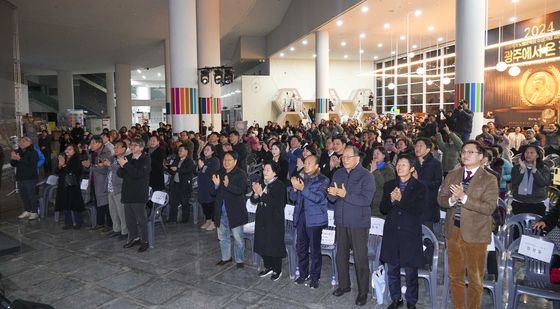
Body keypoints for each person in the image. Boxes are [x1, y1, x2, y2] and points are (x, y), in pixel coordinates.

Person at [437, 141, 499, 309]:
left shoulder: (489, 179)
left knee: (475, 278)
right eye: (463, 151)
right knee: (455, 276)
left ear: (480, 157)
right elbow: (441, 199)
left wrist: (464, 198)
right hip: (453, 231)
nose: (465, 155)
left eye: (470, 152)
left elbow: (489, 208)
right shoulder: (453, 174)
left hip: (476, 234)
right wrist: (451, 200)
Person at [328, 146, 375, 306]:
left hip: (358, 223)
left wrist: (345, 195)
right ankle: (344, 285)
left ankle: (363, 292)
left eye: (349, 157)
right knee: (340, 255)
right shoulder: (338, 173)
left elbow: (366, 200)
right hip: (341, 221)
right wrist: (332, 193)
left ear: (357, 158)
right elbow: (332, 197)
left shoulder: (366, 176)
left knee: (360, 259)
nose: (345, 159)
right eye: (343, 157)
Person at [380, 154, 428, 309]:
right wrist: (392, 200)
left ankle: (411, 301)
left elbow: (419, 210)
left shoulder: (420, 187)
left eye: (404, 165)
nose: (399, 167)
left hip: (410, 233)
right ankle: (395, 299)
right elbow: (383, 209)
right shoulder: (389, 185)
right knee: (392, 269)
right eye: (398, 165)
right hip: (392, 232)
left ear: (412, 168)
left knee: (410, 272)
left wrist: (401, 200)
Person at [289, 155, 329, 289]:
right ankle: (303, 273)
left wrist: (301, 189)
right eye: (305, 163)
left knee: (315, 250)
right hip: (301, 217)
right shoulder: (302, 178)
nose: (306, 165)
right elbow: (293, 198)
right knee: (301, 248)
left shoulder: (323, 180)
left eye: (309, 163)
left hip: (315, 220)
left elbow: (318, 198)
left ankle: (315, 277)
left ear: (317, 166)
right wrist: (294, 189)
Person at [250, 161, 286, 281]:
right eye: (264, 169)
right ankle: (268, 266)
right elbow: (254, 200)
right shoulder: (261, 183)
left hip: (274, 220)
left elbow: (277, 204)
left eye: (267, 170)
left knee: (274, 244)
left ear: (274, 173)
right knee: (263, 242)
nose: (264, 172)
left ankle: (277, 269)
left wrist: (261, 194)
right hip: (262, 218)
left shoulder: (279, 185)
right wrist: (255, 194)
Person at [212, 151, 248, 268]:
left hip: (235, 211)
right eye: (224, 160)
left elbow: (241, 190)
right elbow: (211, 192)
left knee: (238, 238)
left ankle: (239, 260)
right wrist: (216, 185)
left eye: (229, 160)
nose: (226, 163)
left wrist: (228, 185)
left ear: (235, 161)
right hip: (220, 210)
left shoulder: (240, 173)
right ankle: (226, 258)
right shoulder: (219, 172)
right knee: (223, 236)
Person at [118, 138, 151, 252]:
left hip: (138, 193)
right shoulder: (129, 158)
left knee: (141, 219)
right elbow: (120, 174)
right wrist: (121, 165)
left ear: (141, 148)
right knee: (130, 219)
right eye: (131, 145)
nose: (132, 147)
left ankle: (145, 241)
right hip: (128, 192)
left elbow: (138, 174)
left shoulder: (145, 159)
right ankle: (134, 238)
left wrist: (126, 165)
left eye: (135, 145)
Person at [510, 144, 550, 216]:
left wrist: (535, 171)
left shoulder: (544, 168)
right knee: (517, 225)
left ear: (537, 155)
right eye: (526, 152)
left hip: (537, 203)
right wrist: (522, 171)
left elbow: (543, 183)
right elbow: (514, 183)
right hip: (519, 202)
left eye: (532, 153)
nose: (528, 154)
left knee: (536, 226)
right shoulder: (516, 168)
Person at [413, 137, 443, 230]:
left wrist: (418, 181)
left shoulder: (435, 163)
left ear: (428, 149)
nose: (417, 148)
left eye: (420, 146)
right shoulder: (412, 162)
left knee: (427, 234)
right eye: (416, 146)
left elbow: (437, 183)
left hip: (428, 204)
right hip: (412, 203)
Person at [55, 144, 85, 229]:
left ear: (74, 151)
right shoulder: (63, 158)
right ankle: (68, 222)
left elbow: (75, 171)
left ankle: (78, 222)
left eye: (70, 149)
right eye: (66, 149)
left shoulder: (76, 159)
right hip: (63, 184)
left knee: (74, 204)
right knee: (65, 203)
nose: (67, 151)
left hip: (73, 185)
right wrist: (60, 165)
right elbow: (56, 171)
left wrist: (64, 165)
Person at [11, 137, 39, 220]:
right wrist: (13, 159)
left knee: (31, 195)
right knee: (23, 195)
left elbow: (32, 164)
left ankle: (34, 212)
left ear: (29, 142)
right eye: (20, 141)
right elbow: (14, 164)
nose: (21, 143)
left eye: (23, 141)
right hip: (20, 177)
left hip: (30, 177)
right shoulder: (18, 152)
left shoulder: (33, 152)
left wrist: (20, 159)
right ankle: (27, 210)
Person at [89, 135, 113, 231]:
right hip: (95, 181)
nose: (91, 145)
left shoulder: (106, 153)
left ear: (99, 143)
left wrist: (91, 166)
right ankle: (100, 223)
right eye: (91, 143)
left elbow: (105, 170)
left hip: (103, 182)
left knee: (106, 204)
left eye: (93, 143)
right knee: (97, 202)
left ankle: (109, 224)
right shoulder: (94, 153)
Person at [167, 145, 195, 223]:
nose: (179, 152)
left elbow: (188, 170)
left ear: (186, 152)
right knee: (173, 202)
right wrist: (169, 168)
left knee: (184, 202)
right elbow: (172, 170)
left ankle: (184, 220)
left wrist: (177, 169)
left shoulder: (189, 161)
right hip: (175, 183)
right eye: (178, 151)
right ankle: (172, 219)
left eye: (181, 151)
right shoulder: (177, 159)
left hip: (184, 185)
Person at [105, 141, 128, 240]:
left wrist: (109, 164)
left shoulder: (125, 159)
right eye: (114, 147)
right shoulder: (113, 158)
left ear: (124, 149)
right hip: (110, 188)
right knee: (113, 211)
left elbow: (119, 171)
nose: (115, 149)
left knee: (121, 211)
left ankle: (125, 231)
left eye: (117, 147)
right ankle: (116, 229)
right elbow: (109, 170)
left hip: (119, 188)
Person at [197, 144, 220, 231]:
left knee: (211, 204)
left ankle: (214, 222)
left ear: (212, 151)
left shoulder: (215, 160)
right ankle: (208, 220)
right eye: (205, 149)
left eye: (208, 149)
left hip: (210, 184)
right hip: (202, 184)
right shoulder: (202, 159)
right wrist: (199, 167)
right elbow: (198, 171)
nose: (205, 151)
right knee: (204, 203)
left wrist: (203, 167)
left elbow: (214, 171)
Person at [370, 146, 396, 217]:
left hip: (380, 205)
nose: (375, 156)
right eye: (373, 154)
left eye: (377, 153)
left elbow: (387, 186)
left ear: (384, 156)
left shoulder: (389, 169)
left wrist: (375, 171)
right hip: (369, 204)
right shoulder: (370, 167)